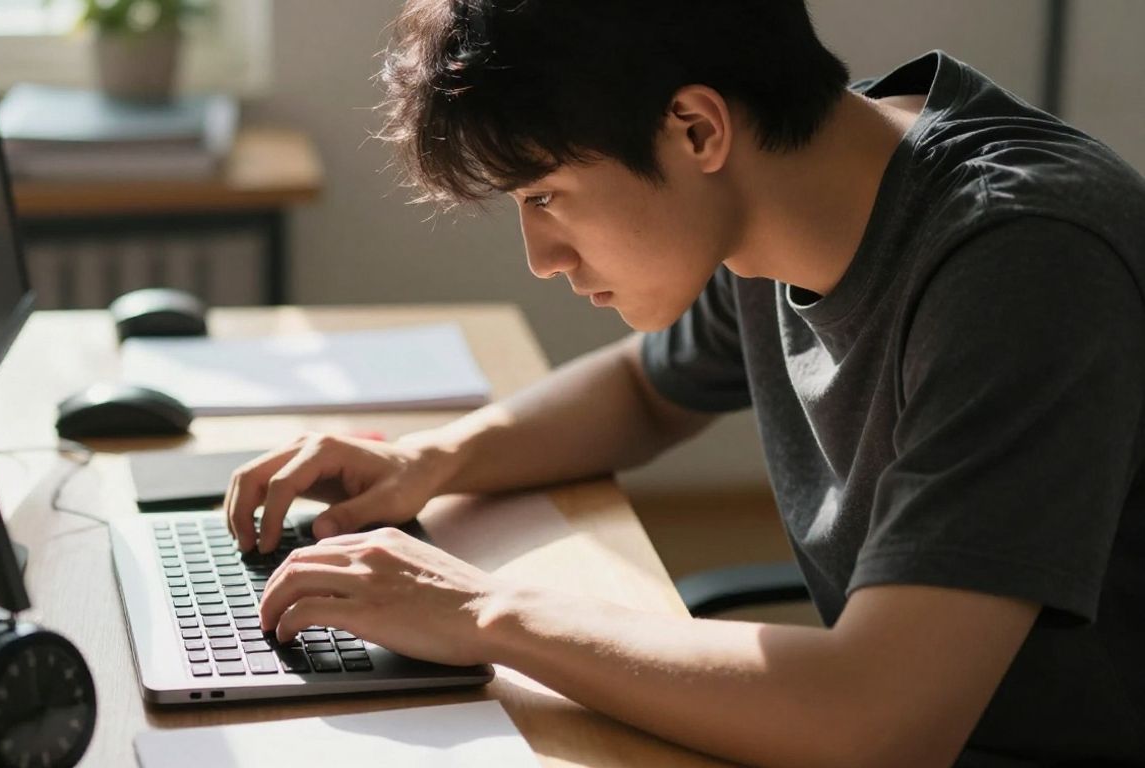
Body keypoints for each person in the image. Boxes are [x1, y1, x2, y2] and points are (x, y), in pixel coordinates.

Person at [224, 1, 1145, 765]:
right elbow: (645, 392)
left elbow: (881, 719)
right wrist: (429, 460)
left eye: (544, 195)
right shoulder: (792, 196)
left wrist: (478, 611)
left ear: (697, 128)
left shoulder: (1024, 262)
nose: (541, 256)